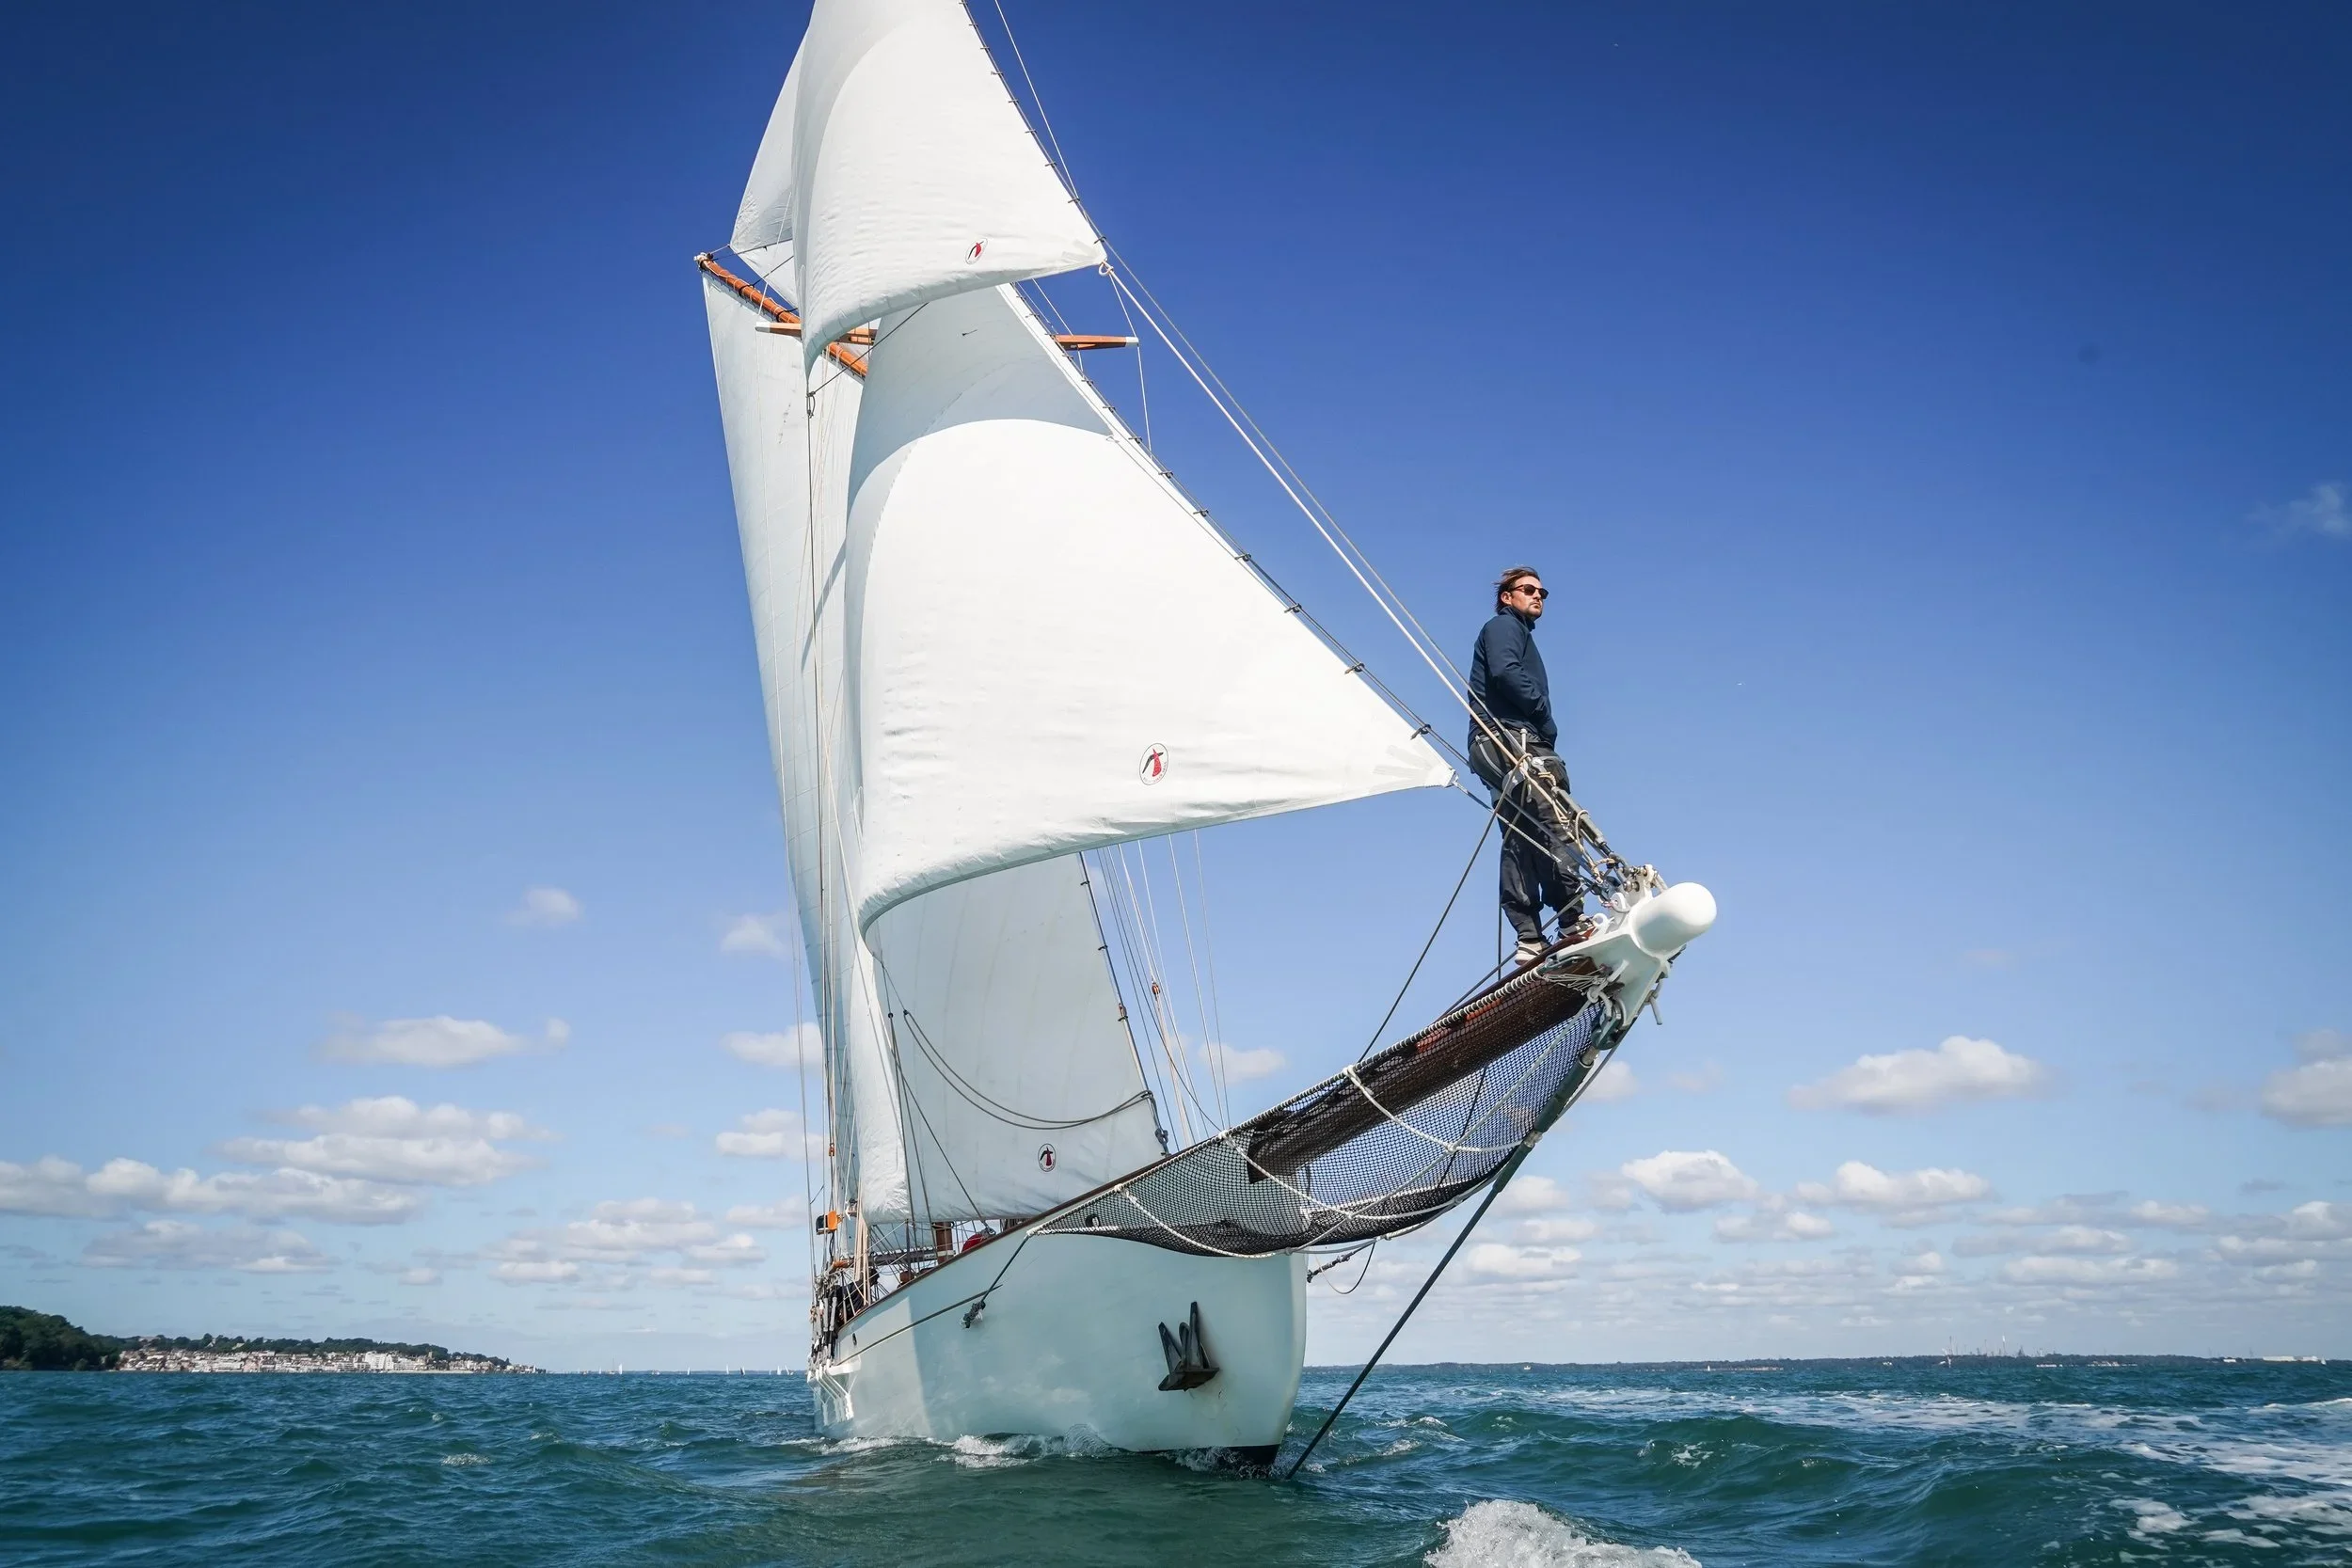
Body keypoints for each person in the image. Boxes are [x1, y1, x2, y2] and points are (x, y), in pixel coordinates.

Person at [1468, 566, 1582, 969]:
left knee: (1522, 837)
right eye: (1529, 590)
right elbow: (1505, 672)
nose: (1538, 596)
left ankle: (1530, 938)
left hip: (1492, 747)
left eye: (1543, 592)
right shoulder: (1503, 628)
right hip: (1512, 740)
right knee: (1556, 823)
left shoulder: (1513, 632)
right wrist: (1543, 716)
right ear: (1507, 596)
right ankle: (1571, 920)